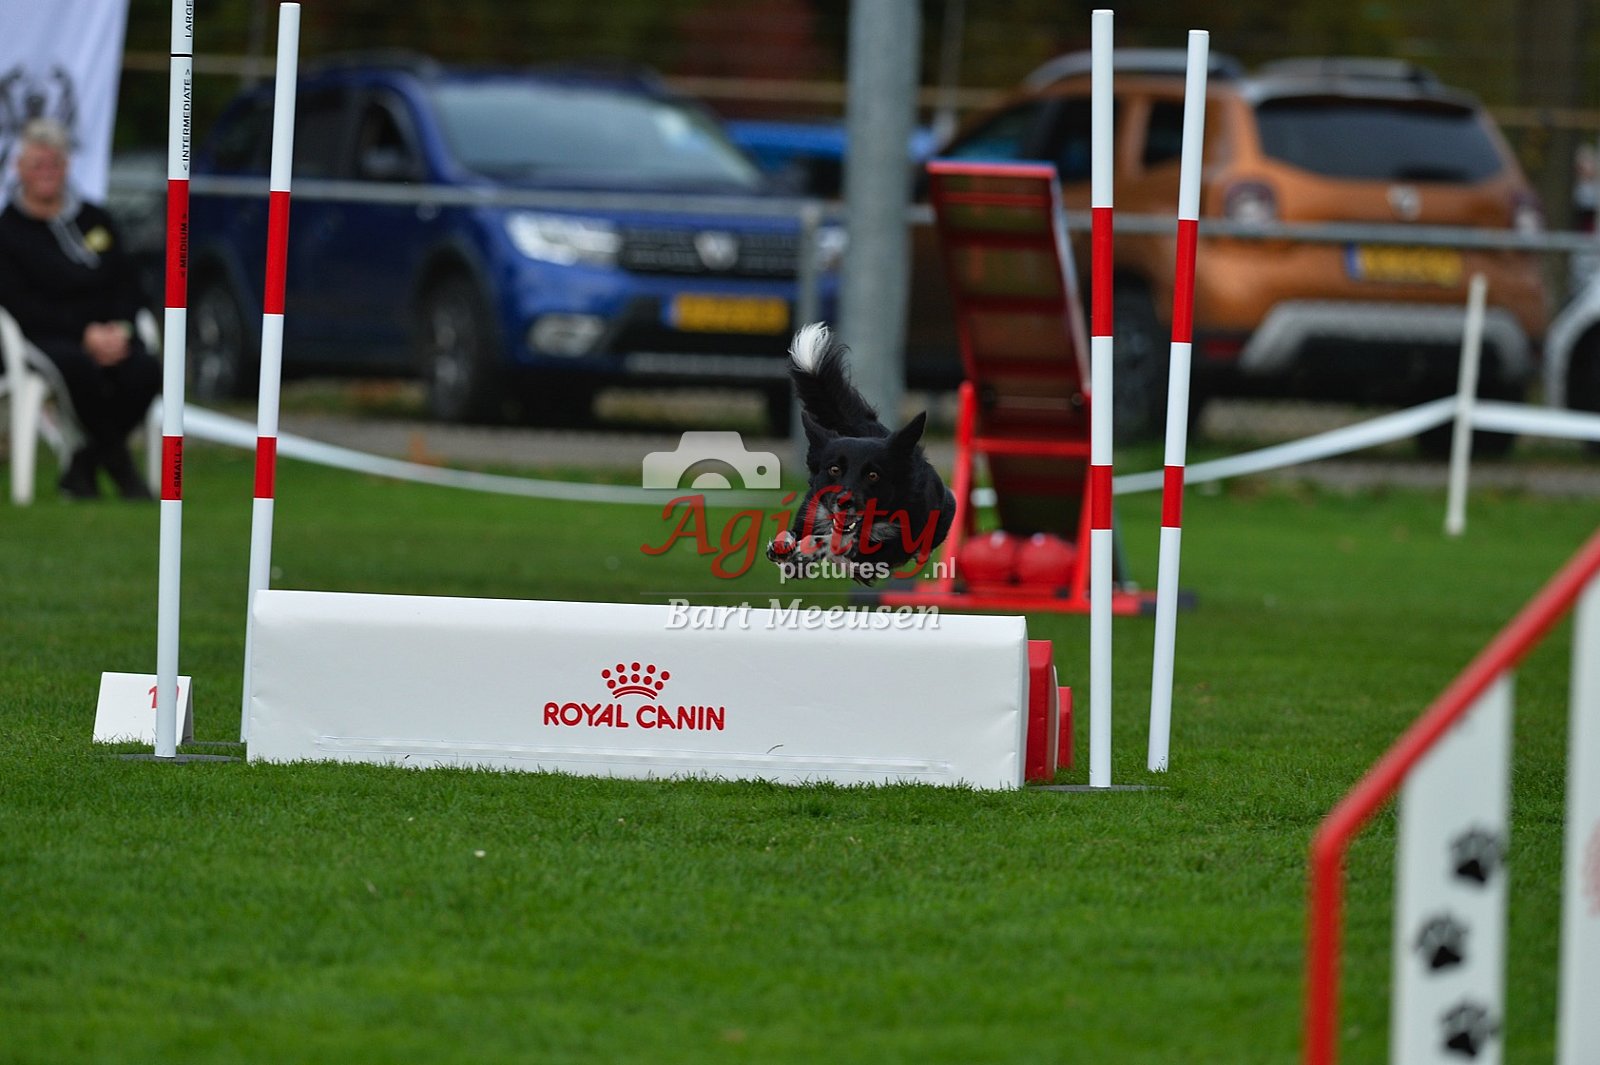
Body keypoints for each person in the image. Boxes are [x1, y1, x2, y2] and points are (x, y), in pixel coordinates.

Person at [0, 118, 160, 500]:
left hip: (110, 330)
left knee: (146, 369)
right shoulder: (8, 230)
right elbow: (18, 303)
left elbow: (127, 282)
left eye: (54, 164)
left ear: (67, 166)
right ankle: (120, 467)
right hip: (46, 335)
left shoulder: (95, 218)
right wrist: (84, 335)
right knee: (78, 370)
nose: (47, 173)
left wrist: (120, 328)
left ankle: (84, 464)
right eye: (38, 164)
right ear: (19, 169)